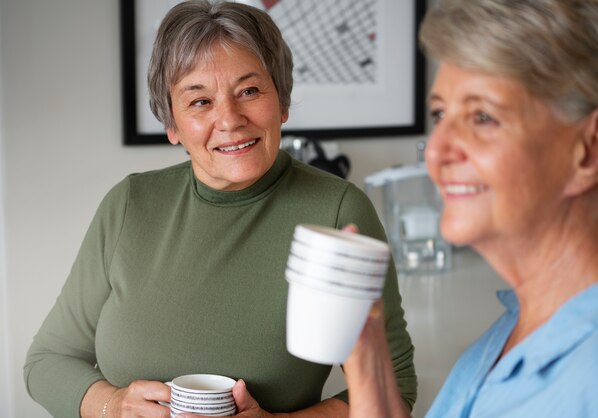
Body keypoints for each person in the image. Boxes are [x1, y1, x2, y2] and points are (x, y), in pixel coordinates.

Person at [23, 1, 417, 417]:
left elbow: (395, 387)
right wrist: (113, 405)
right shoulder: (128, 206)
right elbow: (48, 360)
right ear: (172, 125)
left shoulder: (337, 211)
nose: (229, 120)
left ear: (281, 101)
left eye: (249, 91)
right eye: (199, 102)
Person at [343, 0, 598, 417]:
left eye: (482, 117)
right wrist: (364, 349)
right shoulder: (512, 331)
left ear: (594, 147)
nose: (436, 151)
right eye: (440, 114)